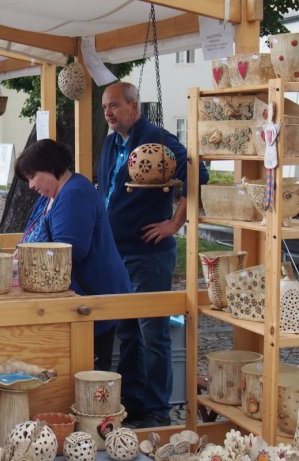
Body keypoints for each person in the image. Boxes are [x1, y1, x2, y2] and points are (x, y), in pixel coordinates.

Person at [96, 81, 209, 428]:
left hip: (148, 255)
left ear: (134, 107)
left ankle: (159, 412)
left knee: (153, 334)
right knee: (128, 333)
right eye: (104, 108)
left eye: (114, 106)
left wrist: (174, 224)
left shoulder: (156, 138)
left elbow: (197, 173)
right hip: (117, 253)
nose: (109, 113)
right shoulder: (112, 142)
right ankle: (134, 405)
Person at [15, 139, 133, 370]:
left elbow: (69, 252)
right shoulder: (52, 195)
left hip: (90, 299)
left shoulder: (74, 194)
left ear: (50, 167)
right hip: (78, 299)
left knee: (89, 371)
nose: (30, 185)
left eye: (32, 176)